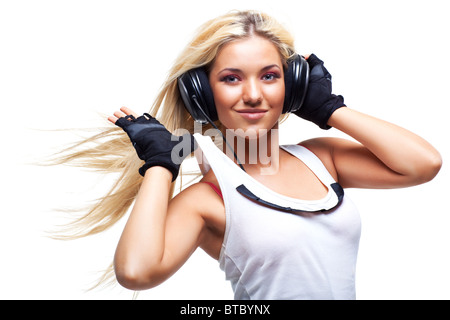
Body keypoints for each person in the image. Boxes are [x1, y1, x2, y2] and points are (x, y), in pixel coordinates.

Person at [58, 10, 442, 299]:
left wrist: (330, 109)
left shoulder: (323, 159)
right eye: (231, 78)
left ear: (293, 87)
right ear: (202, 95)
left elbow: (423, 165)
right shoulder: (210, 198)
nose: (254, 94)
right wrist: (161, 164)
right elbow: (136, 272)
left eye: (270, 76)